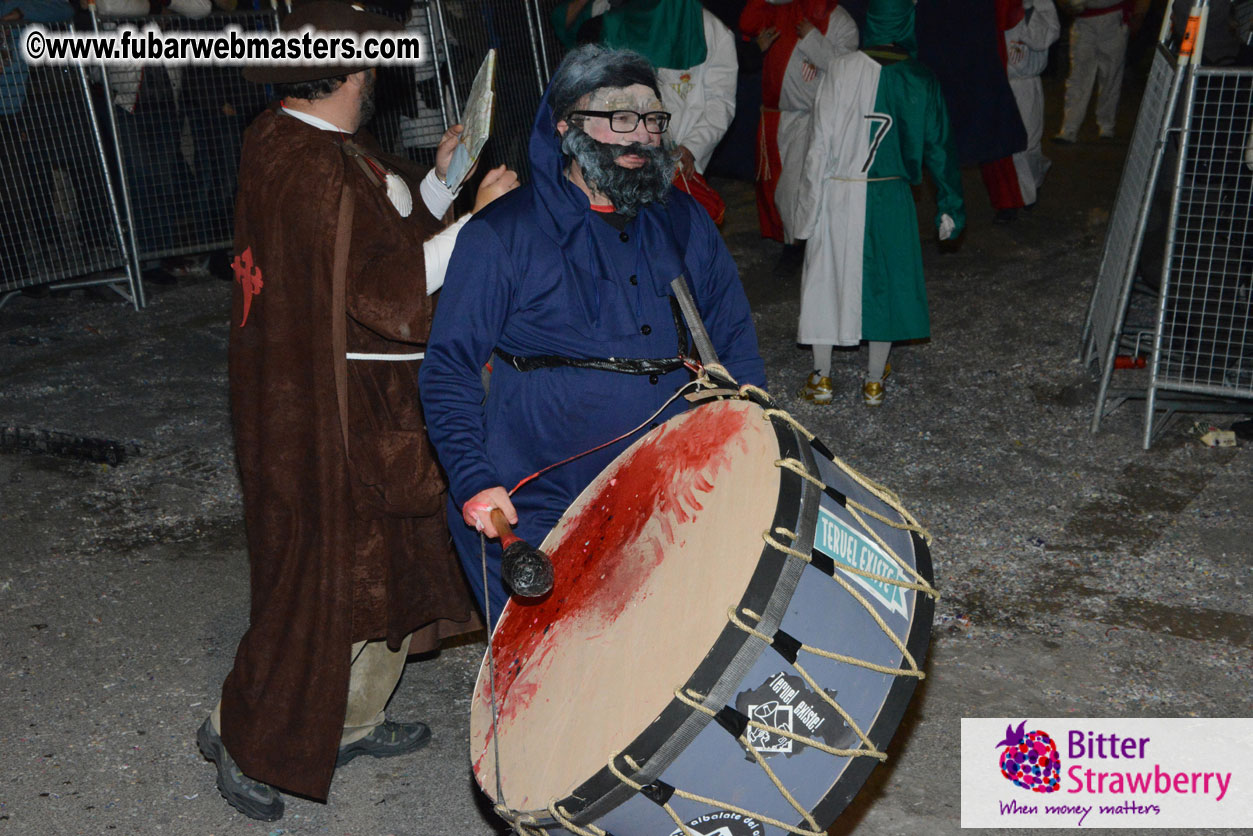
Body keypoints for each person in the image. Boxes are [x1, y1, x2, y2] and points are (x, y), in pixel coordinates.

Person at [196, 0, 518, 822]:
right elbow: (386, 290)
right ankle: (244, 735)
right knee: (320, 583)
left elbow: (376, 222)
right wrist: (474, 223)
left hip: (356, 403)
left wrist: (441, 184)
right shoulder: (307, 163)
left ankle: (352, 718)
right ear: (356, 69)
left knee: (388, 568)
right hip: (327, 413)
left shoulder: (303, 138)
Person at [418, 44, 766, 619]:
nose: (641, 136)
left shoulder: (684, 223)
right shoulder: (502, 235)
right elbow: (449, 368)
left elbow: (735, 344)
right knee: (557, 676)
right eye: (619, 117)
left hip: (670, 489)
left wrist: (753, 442)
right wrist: (475, 479)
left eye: (652, 119)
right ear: (565, 126)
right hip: (538, 499)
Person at [794, 0, 964, 407]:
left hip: (838, 190)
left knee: (825, 280)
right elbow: (939, 147)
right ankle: (873, 381)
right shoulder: (920, 78)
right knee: (885, 284)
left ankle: (822, 378)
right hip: (890, 194)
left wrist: (806, 214)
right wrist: (950, 205)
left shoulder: (842, 69)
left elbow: (819, 147)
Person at [552, 0, 738, 217]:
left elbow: (721, 101)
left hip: (677, 161)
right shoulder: (605, 18)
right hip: (611, 166)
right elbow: (562, 23)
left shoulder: (708, 30)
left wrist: (692, 148)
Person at [738, 0, 859, 242]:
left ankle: (798, 245)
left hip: (814, 117)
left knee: (792, 189)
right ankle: (794, 240)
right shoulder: (783, 10)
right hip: (778, 117)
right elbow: (748, 23)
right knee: (777, 189)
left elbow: (848, 71)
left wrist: (813, 39)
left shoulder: (841, 21)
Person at [1004, 0, 1061, 208]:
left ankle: (1031, 185)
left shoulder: (1039, 4)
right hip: (1000, 81)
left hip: (1026, 82)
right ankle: (1015, 197)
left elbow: (1045, 37)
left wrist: (1024, 14)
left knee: (1028, 142)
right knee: (1005, 146)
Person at [1054, 0, 1130, 143]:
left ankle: (1107, 125)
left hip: (1113, 19)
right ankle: (1069, 128)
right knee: (1078, 77)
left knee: (1111, 76)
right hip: (1083, 21)